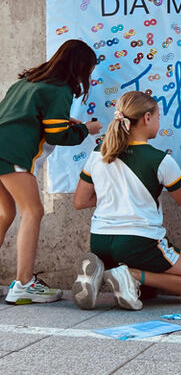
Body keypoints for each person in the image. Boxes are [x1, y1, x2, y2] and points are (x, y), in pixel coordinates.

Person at [72, 91, 181, 310]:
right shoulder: (160, 159)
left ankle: (104, 275)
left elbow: (80, 201)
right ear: (147, 118)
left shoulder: (98, 153)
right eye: (158, 117)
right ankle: (130, 274)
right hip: (138, 242)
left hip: (100, 242)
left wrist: (116, 195)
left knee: (149, 292)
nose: (159, 123)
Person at [0, 39, 103, 304]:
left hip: (3, 146)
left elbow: (25, 116)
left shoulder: (26, 82)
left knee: (5, 212)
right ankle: (23, 283)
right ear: (79, 67)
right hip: (12, 152)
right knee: (33, 211)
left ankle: (23, 282)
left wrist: (66, 122)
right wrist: (86, 129)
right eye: (88, 70)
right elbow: (57, 135)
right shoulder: (60, 89)